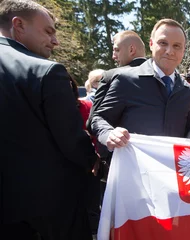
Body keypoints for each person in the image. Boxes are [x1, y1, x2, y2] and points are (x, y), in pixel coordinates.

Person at [0, 0, 97, 239]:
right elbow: (71, 141)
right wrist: (93, 160)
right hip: (49, 210)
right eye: (48, 31)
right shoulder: (46, 72)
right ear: (18, 25)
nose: (55, 41)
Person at [90, 18, 190, 151]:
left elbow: (188, 135)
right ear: (151, 44)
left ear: (183, 50)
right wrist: (109, 134)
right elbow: (98, 118)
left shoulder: (187, 91)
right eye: (163, 43)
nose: (169, 51)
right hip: (132, 168)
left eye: (176, 46)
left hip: (169, 170)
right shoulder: (126, 80)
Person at [87, 31, 147, 133]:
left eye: (116, 50)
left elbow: (93, 123)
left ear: (131, 49)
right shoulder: (165, 78)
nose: (113, 56)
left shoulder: (111, 76)